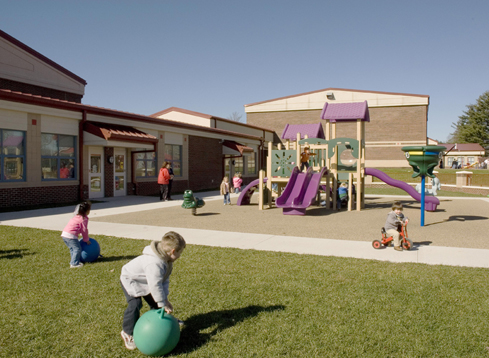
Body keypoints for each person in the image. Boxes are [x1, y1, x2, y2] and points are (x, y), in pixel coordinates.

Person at [120, 231, 186, 350]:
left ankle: (164, 321)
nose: (180, 256)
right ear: (172, 251)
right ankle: (127, 332)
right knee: (135, 304)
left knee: (157, 299)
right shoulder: (155, 263)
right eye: (180, 252)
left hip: (146, 280)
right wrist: (162, 303)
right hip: (130, 279)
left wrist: (164, 300)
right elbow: (155, 285)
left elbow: (163, 281)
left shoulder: (167, 260)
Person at [60, 201, 92, 268]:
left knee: (72, 249)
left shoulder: (77, 216)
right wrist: (86, 240)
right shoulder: (83, 219)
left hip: (65, 234)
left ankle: (74, 261)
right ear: (87, 211)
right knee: (77, 249)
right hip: (70, 236)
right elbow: (84, 230)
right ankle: (74, 264)